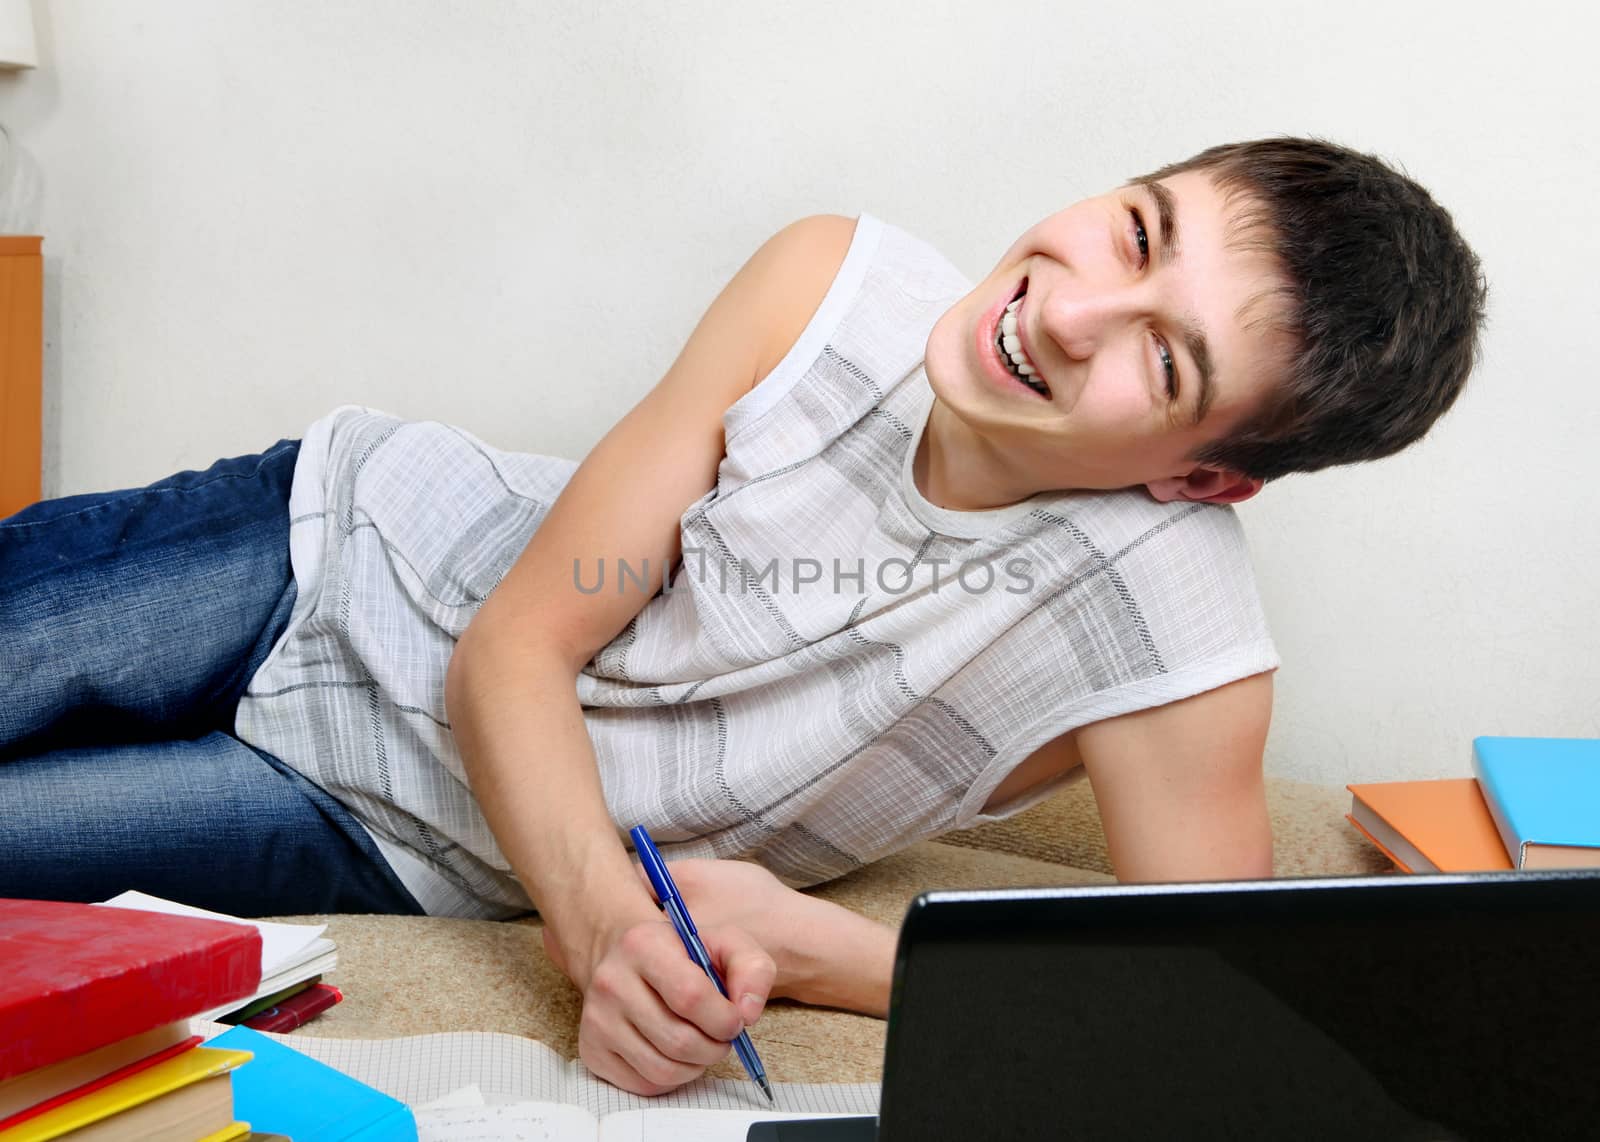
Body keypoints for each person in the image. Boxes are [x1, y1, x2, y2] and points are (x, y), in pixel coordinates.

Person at [0, 137, 1485, 1096]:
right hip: (322, 547)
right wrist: (597, 930)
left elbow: (1213, 1017)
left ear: (1205, 475)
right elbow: (521, 641)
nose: (1071, 311)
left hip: (381, 821)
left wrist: (829, 952)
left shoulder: (1171, 638)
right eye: (1137, 229)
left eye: (1162, 363)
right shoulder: (827, 288)